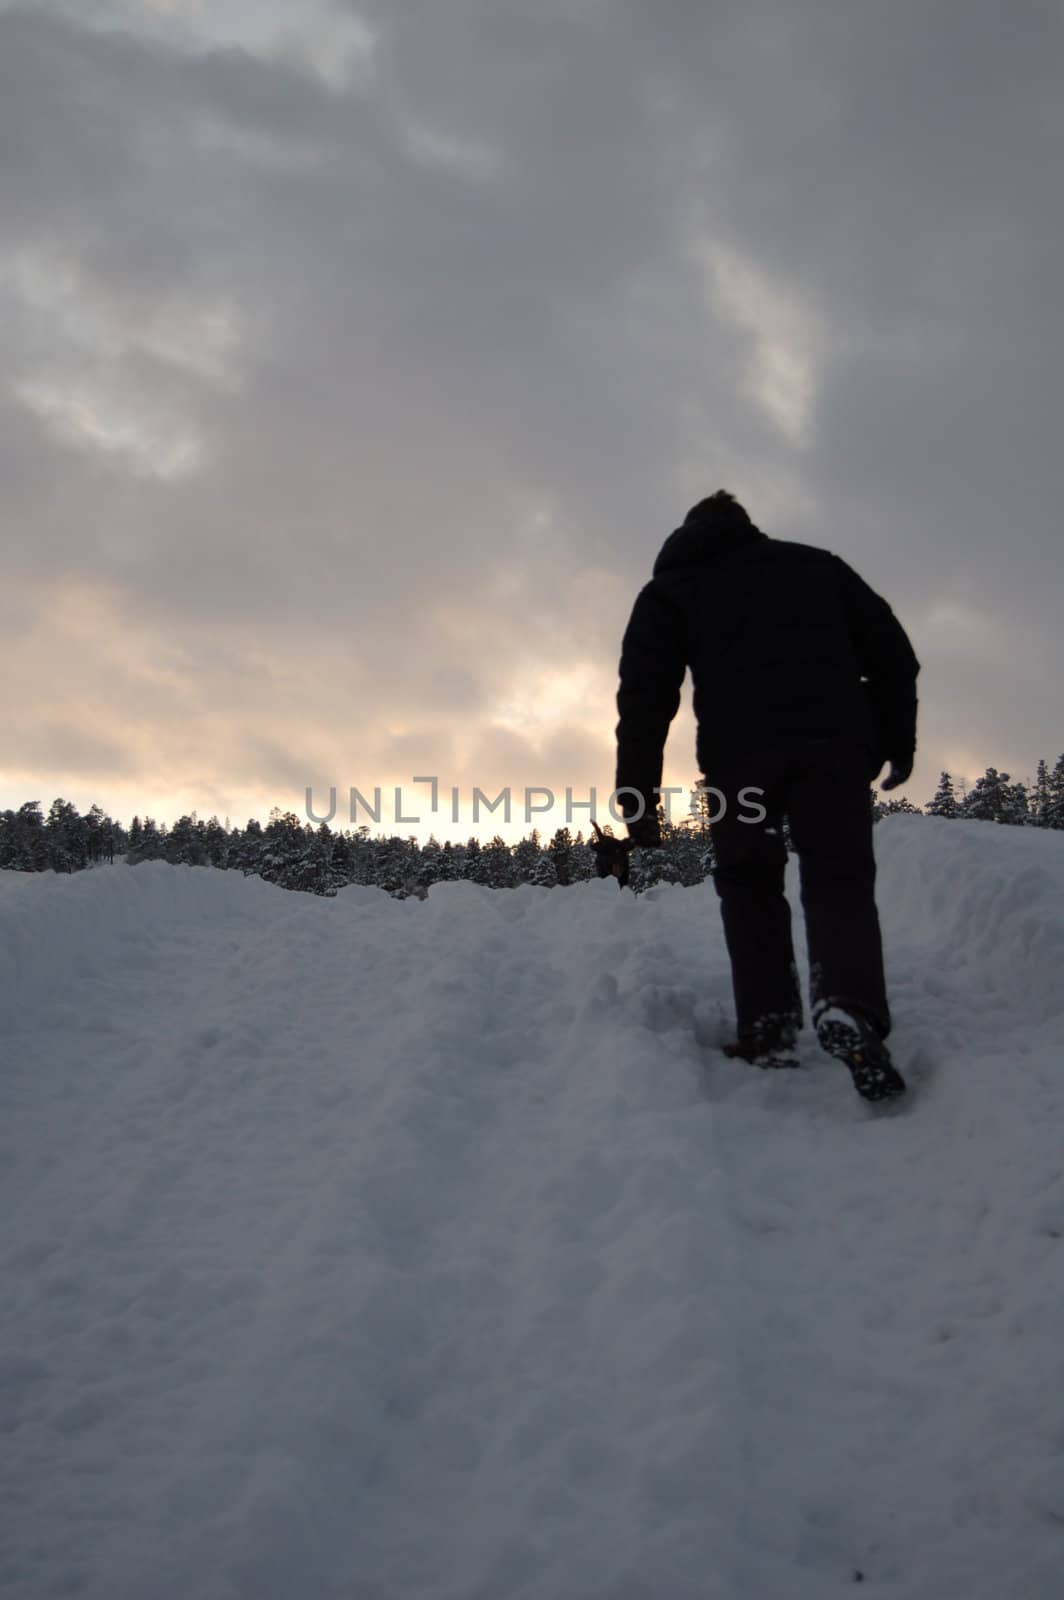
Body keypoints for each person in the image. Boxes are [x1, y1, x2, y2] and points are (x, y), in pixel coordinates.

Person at [614, 490, 919, 1101]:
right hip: (835, 748)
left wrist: (638, 794)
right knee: (839, 878)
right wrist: (896, 740)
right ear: (747, 527)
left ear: (686, 533)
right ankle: (848, 1002)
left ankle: (769, 1028)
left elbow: (646, 697)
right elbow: (893, 654)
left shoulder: (671, 590)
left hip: (737, 762)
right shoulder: (818, 566)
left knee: (750, 883)